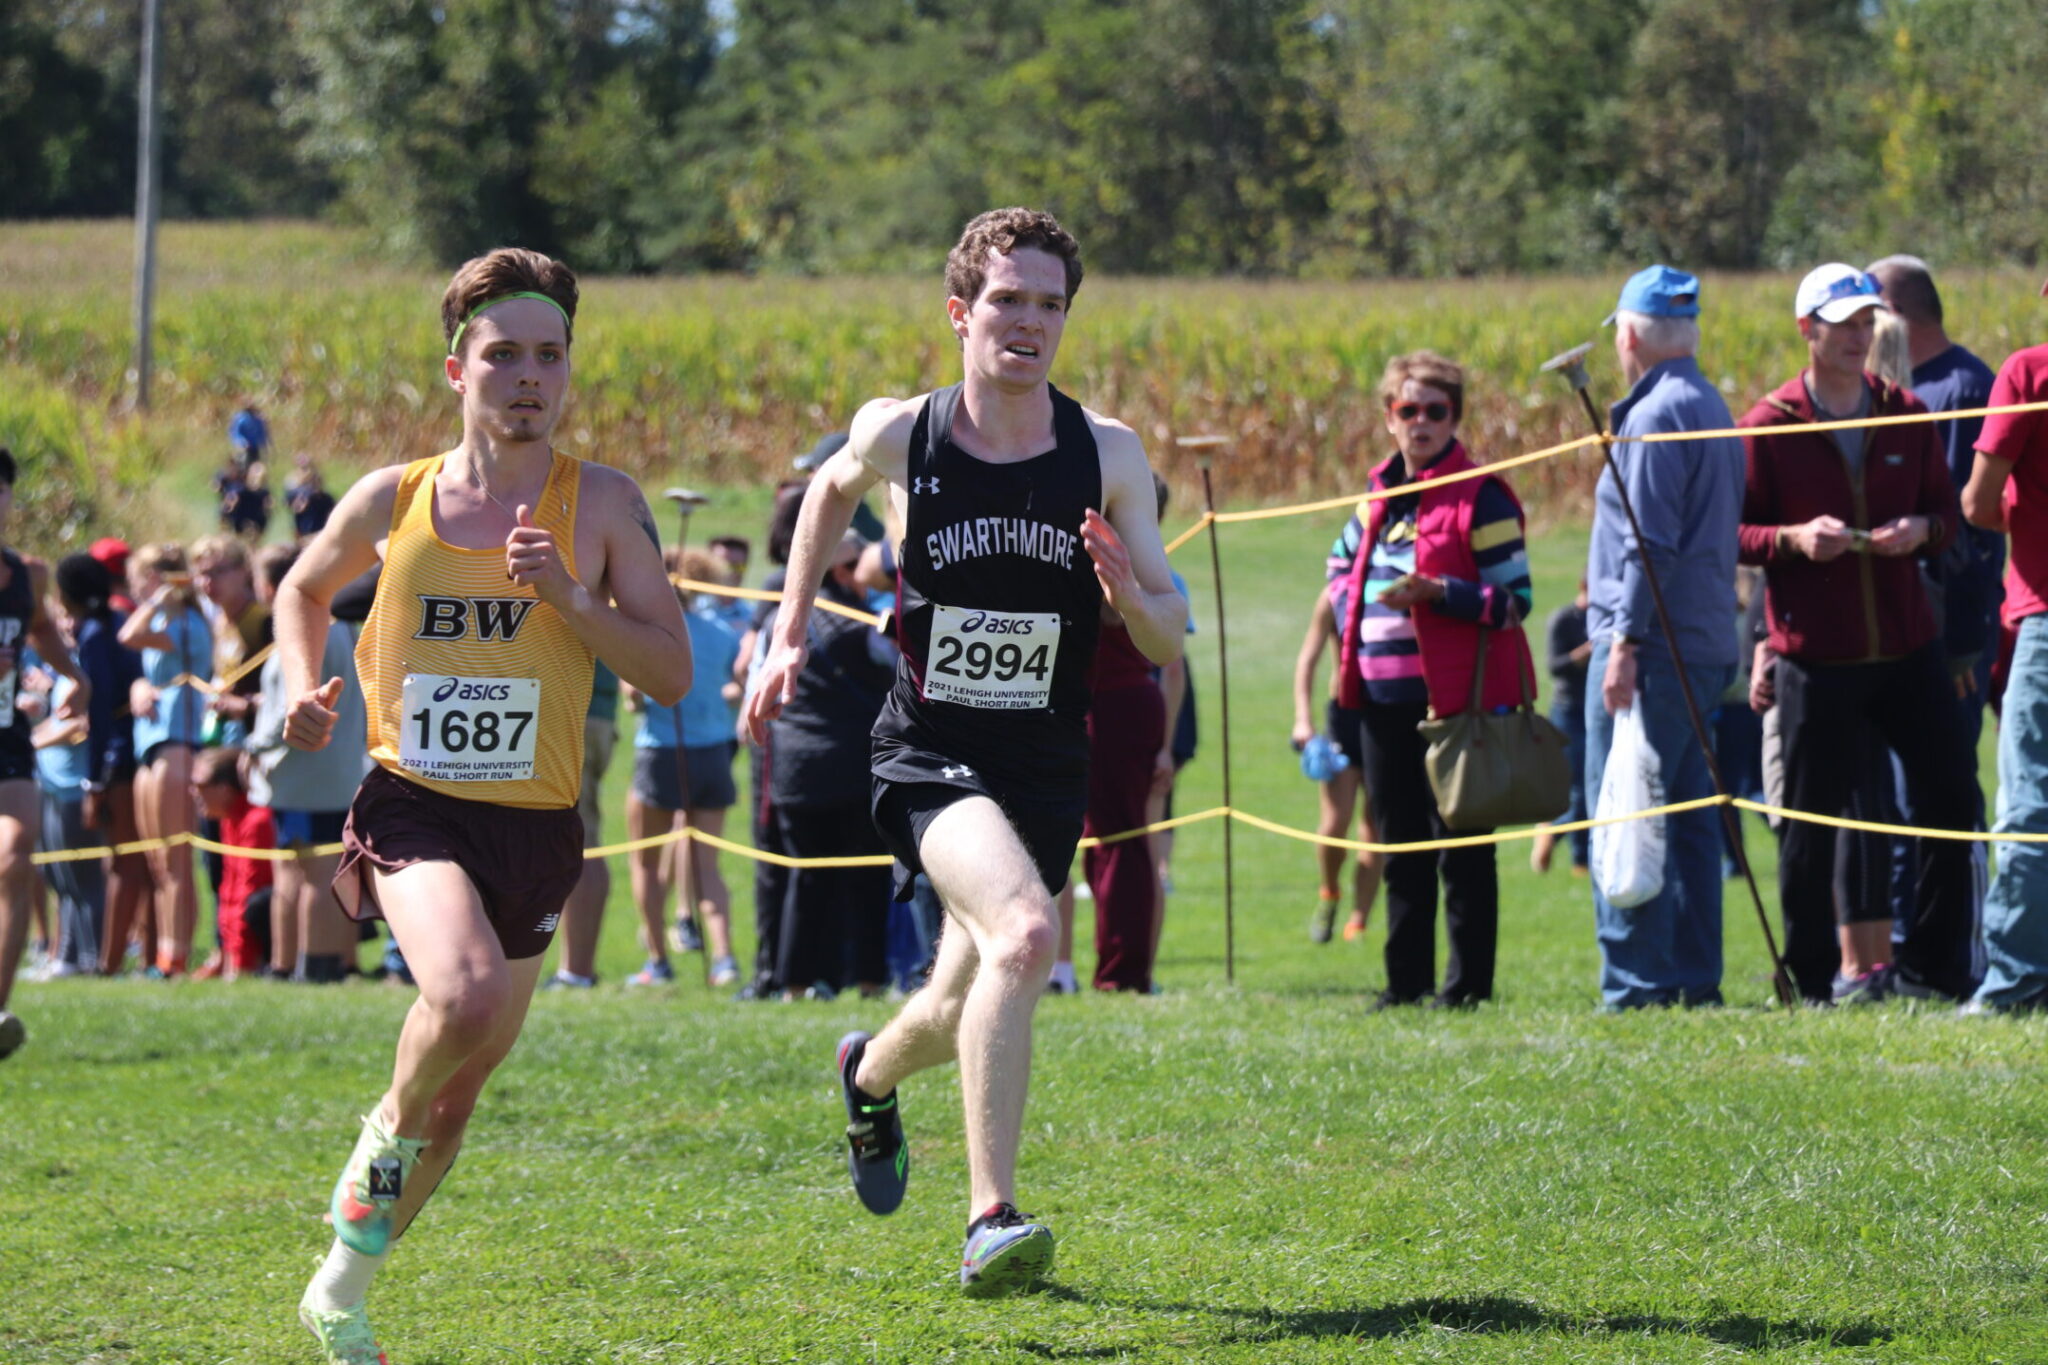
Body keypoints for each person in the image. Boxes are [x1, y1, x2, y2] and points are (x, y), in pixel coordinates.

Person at [745, 208, 1185, 1296]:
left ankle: (867, 1072)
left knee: (956, 1002)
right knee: (1028, 936)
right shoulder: (905, 431)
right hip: (928, 752)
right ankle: (991, 1214)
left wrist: (1133, 597)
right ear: (960, 311)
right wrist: (788, 631)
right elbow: (823, 497)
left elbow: (1171, 626)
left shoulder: (1106, 452)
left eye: (1049, 304)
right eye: (1006, 300)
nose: (1027, 322)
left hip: (1043, 760)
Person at [274, 247, 690, 1363]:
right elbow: (301, 588)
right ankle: (372, 1155)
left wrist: (565, 596)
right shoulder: (393, 497)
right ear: (457, 366)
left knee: (460, 1099)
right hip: (413, 804)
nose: (527, 377)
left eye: (549, 356)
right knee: (454, 1000)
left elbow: (670, 670)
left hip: (538, 829)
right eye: (502, 354)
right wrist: (297, 693)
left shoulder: (600, 505)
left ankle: (339, 1292)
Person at [1737, 262, 1977, 1005]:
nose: (1859, 337)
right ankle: (1809, 981)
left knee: (1948, 798)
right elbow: (1736, 534)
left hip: (1909, 648)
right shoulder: (1766, 424)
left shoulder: (1904, 408)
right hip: (1816, 656)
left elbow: (1951, 518)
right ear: (1807, 330)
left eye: (1868, 323)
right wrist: (1792, 539)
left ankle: (1935, 971)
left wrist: (1923, 529)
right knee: (1810, 828)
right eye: (1843, 325)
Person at [1329, 351, 1533, 1010]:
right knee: (1399, 843)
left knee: (1463, 848)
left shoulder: (1485, 493)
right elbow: (1339, 569)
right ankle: (1405, 983)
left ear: (1455, 416)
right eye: (1407, 409)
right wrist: (1347, 610)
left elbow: (1515, 599)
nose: (1420, 422)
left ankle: (1467, 988)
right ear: (1389, 417)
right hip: (1380, 698)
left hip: (1456, 702)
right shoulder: (1375, 494)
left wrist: (1437, 592)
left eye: (1435, 410)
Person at [1582, 265, 1745, 1010]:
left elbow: (1651, 542)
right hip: (1706, 642)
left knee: (1626, 807)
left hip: (1654, 649)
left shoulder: (1652, 416)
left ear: (1629, 335)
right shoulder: (1710, 403)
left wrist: (1622, 642)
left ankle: (1638, 982)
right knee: (1687, 820)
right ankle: (1692, 974)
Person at [757, 533, 895, 998]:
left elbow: (755, 678)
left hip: (796, 770)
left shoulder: (779, 622)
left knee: (805, 876)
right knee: (869, 878)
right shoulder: (870, 624)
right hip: (858, 766)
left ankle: (793, 986)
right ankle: (871, 983)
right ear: (841, 571)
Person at [1961, 292, 2048, 1012]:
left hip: (2044, 615)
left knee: (2029, 803)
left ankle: (2016, 981)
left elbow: (1977, 502)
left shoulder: (2029, 372)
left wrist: (2022, 510)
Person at [0, 447, 91, 1060]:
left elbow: (39, 629)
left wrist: (74, 675)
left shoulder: (26, 572)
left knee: (13, 854)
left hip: (7, 740)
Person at [621, 551, 741, 989]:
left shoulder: (650, 634)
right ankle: (724, 959)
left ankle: (658, 960)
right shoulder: (723, 632)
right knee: (707, 867)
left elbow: (632, 697)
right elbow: (733, 681)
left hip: (661, 754)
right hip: (712, 754)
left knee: (646, 865)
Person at [248, 543, 363, 984]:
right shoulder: (348, 631)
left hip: (303, 772)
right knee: (301, 870)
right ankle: (295, 963)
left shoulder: (306, 634)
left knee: (310, 873)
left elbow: (287, 708)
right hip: (332, 772)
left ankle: (309, 964)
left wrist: (252, 747)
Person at [118, 543, 208, 977]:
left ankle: (175, 955)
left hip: (178, 741)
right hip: (150, 742)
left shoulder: (185, 621)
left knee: (175, 860)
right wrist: (139, 685)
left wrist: (157, 599)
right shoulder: (165, 623)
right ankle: (160, 955)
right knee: (156, 861)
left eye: (146, 580)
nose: (139, 589)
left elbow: (128, 635)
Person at [1292, 580, 1382, 943]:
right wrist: (1303, 718)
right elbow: (1307, 659)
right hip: (1344, 716)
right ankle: (1329, 892)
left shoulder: (1396, 584)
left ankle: (1359, 919)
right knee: (1335, 823)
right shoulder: (1335, 593)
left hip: (1388, 714)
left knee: (1374, 828)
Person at [545, 661, 618, 990]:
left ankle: (576, 971)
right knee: (582, 839)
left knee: (582, 842)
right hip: (589, 712)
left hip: (574, 713)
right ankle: (576, 970)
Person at [190, 745, 274, 979]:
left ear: (226, 789)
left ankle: (264, 965)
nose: (194, 792)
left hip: (267, 918)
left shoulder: (257, 821)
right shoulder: (230, 820)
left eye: (200, 785)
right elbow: (228, 892)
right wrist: (225, 954)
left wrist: (240, 964)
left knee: (257, 903)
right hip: (243, 933)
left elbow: (248, 893)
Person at [1532, 578, 1591, 876]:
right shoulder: (1564, 618)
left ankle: (1581, 859)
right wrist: (1585, 653)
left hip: (1598, 710)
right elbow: (1554, 667)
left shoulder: (1603, 618)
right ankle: (1552, 837)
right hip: (1568, 712)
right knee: (1577, 789)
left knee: (1591, 786)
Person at [230, 402, 271, 469]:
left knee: (255, 465)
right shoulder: (240, 418)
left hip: (255, 447)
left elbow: (262, 432)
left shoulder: (257, 419)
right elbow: (235, 432)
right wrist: (241, 442)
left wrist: (264, 444)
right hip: (243, 447)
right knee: (243, 464)